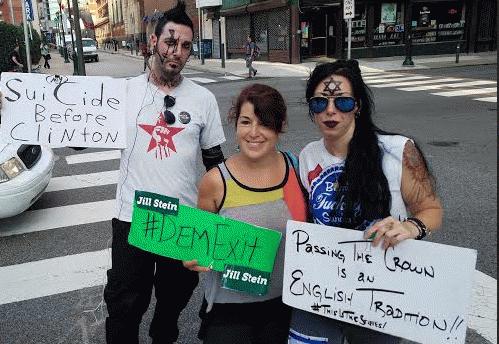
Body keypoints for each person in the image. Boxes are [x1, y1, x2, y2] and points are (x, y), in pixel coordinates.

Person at [289, 59, 443, 343]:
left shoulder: (398, 151)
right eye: (319, 103)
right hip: (324, 287)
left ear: (357, 105)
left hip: (380, 292)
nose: (330, 111)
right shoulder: (308, 156)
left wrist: (411, 228)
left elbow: (431, 210)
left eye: (343, 102)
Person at [102, 2, 226, 343]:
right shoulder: (124, 92)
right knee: (125, 306)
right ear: (154, 41)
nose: (178, 51)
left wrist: (222, 218)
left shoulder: (203, 99)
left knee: (172, 302)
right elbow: (81, 134)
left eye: (186, 46)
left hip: (182, 220)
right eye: (171, 42)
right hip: (134, 217)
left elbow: (215, 162)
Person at [184, 84, 308, 344]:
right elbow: (198, 247)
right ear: (235, 123)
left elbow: (305, 230)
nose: (253, 133)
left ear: (280, 125)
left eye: (264, 123)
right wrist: (193, 258)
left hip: (284, 304)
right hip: (229, 309)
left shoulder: (295, 169)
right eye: (245, 122)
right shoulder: (215, 181)